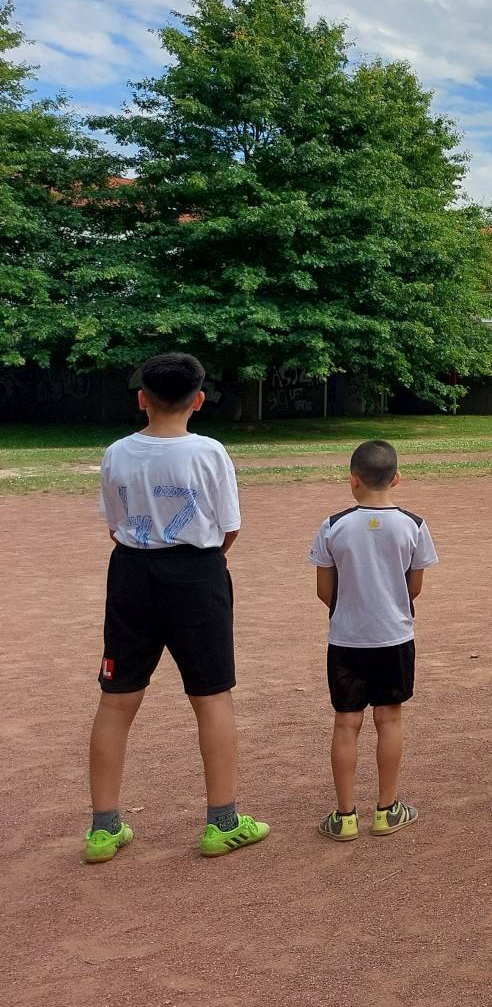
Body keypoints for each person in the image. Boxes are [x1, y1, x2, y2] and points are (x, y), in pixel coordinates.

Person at [87, 352, 270, 862]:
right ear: (199, 400)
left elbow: (113, 522)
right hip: (196, 572)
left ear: (141, 399)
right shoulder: (208, 452)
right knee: (211, 696)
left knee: (117, 697)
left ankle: (103, 828)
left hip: (131, 572)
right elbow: (229, 525)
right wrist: (200, 564)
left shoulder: (117, 453)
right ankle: (222, 821)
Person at [310, 440, 437, 841]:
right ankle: (387, 809)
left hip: (346, 638)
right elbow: (414, 587)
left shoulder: (333, 525)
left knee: (347, 722)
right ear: (396, 479)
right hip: (394, 636)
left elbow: (323, 590)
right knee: (389, 718)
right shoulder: (414, 525)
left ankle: (345, 815)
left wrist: (352, 607)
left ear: (353, 480)